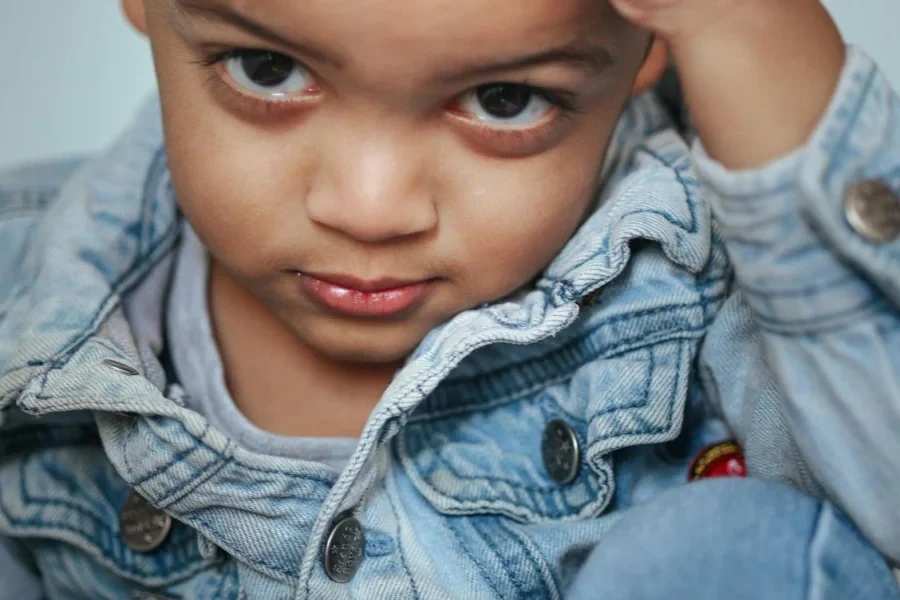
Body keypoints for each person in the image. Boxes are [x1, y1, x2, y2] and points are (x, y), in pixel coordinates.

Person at [0, 0, 898, 597]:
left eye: (505, 100)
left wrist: (774, 75)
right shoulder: (25, 301)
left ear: (646, 47)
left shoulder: (707, 277)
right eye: (267, 70)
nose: (369, 208)